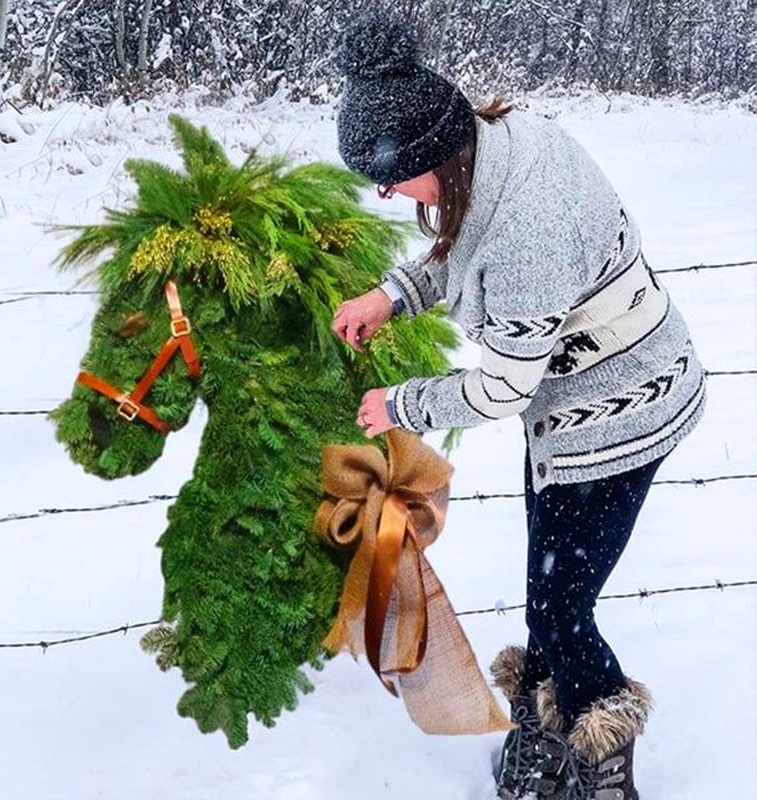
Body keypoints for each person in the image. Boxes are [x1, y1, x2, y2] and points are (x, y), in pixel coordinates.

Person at [331, 8, 706, 800]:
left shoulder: (526, 226)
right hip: (570, 412)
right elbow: (460, 255)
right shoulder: (494, 153)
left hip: (624, 411)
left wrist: (400, 404)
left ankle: (603, 762)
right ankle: (541, 732)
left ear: (435, 149)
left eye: (390, 175)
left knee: (563, 605)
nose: (389, 191)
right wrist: (390, 297)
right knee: (550, 586)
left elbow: (503, 388)